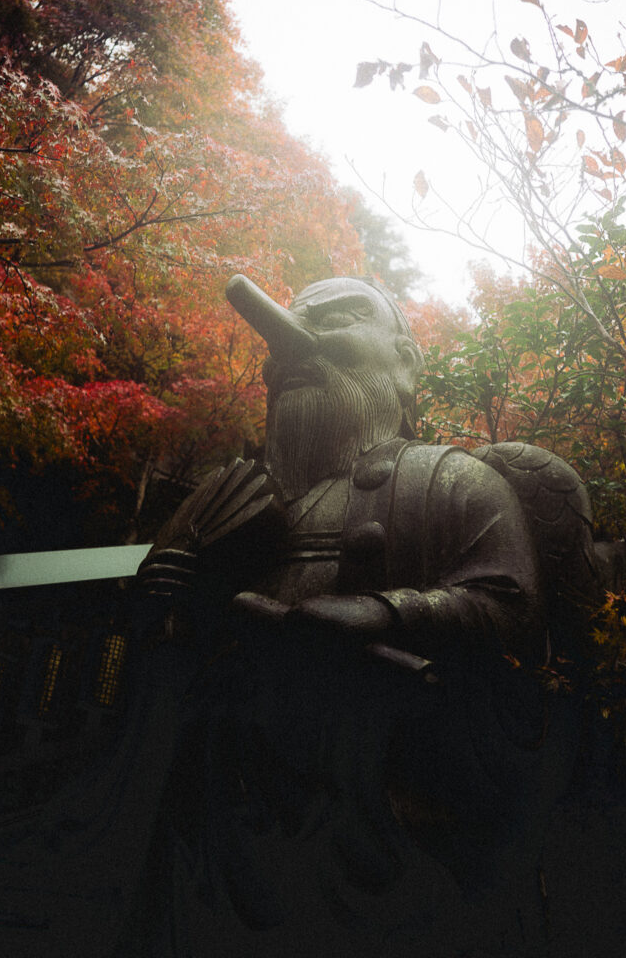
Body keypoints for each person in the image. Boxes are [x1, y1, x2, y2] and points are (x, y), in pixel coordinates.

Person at [128, 274, 587, 955]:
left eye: (335, 320)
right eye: (280, 353)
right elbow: (168, 648)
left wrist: (384, 613)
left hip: (387, 795)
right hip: (228, 795)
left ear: (403, 361)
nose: (294, 346)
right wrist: (169, 594)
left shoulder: (446, 480)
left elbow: (509, 599)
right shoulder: (244, 508)